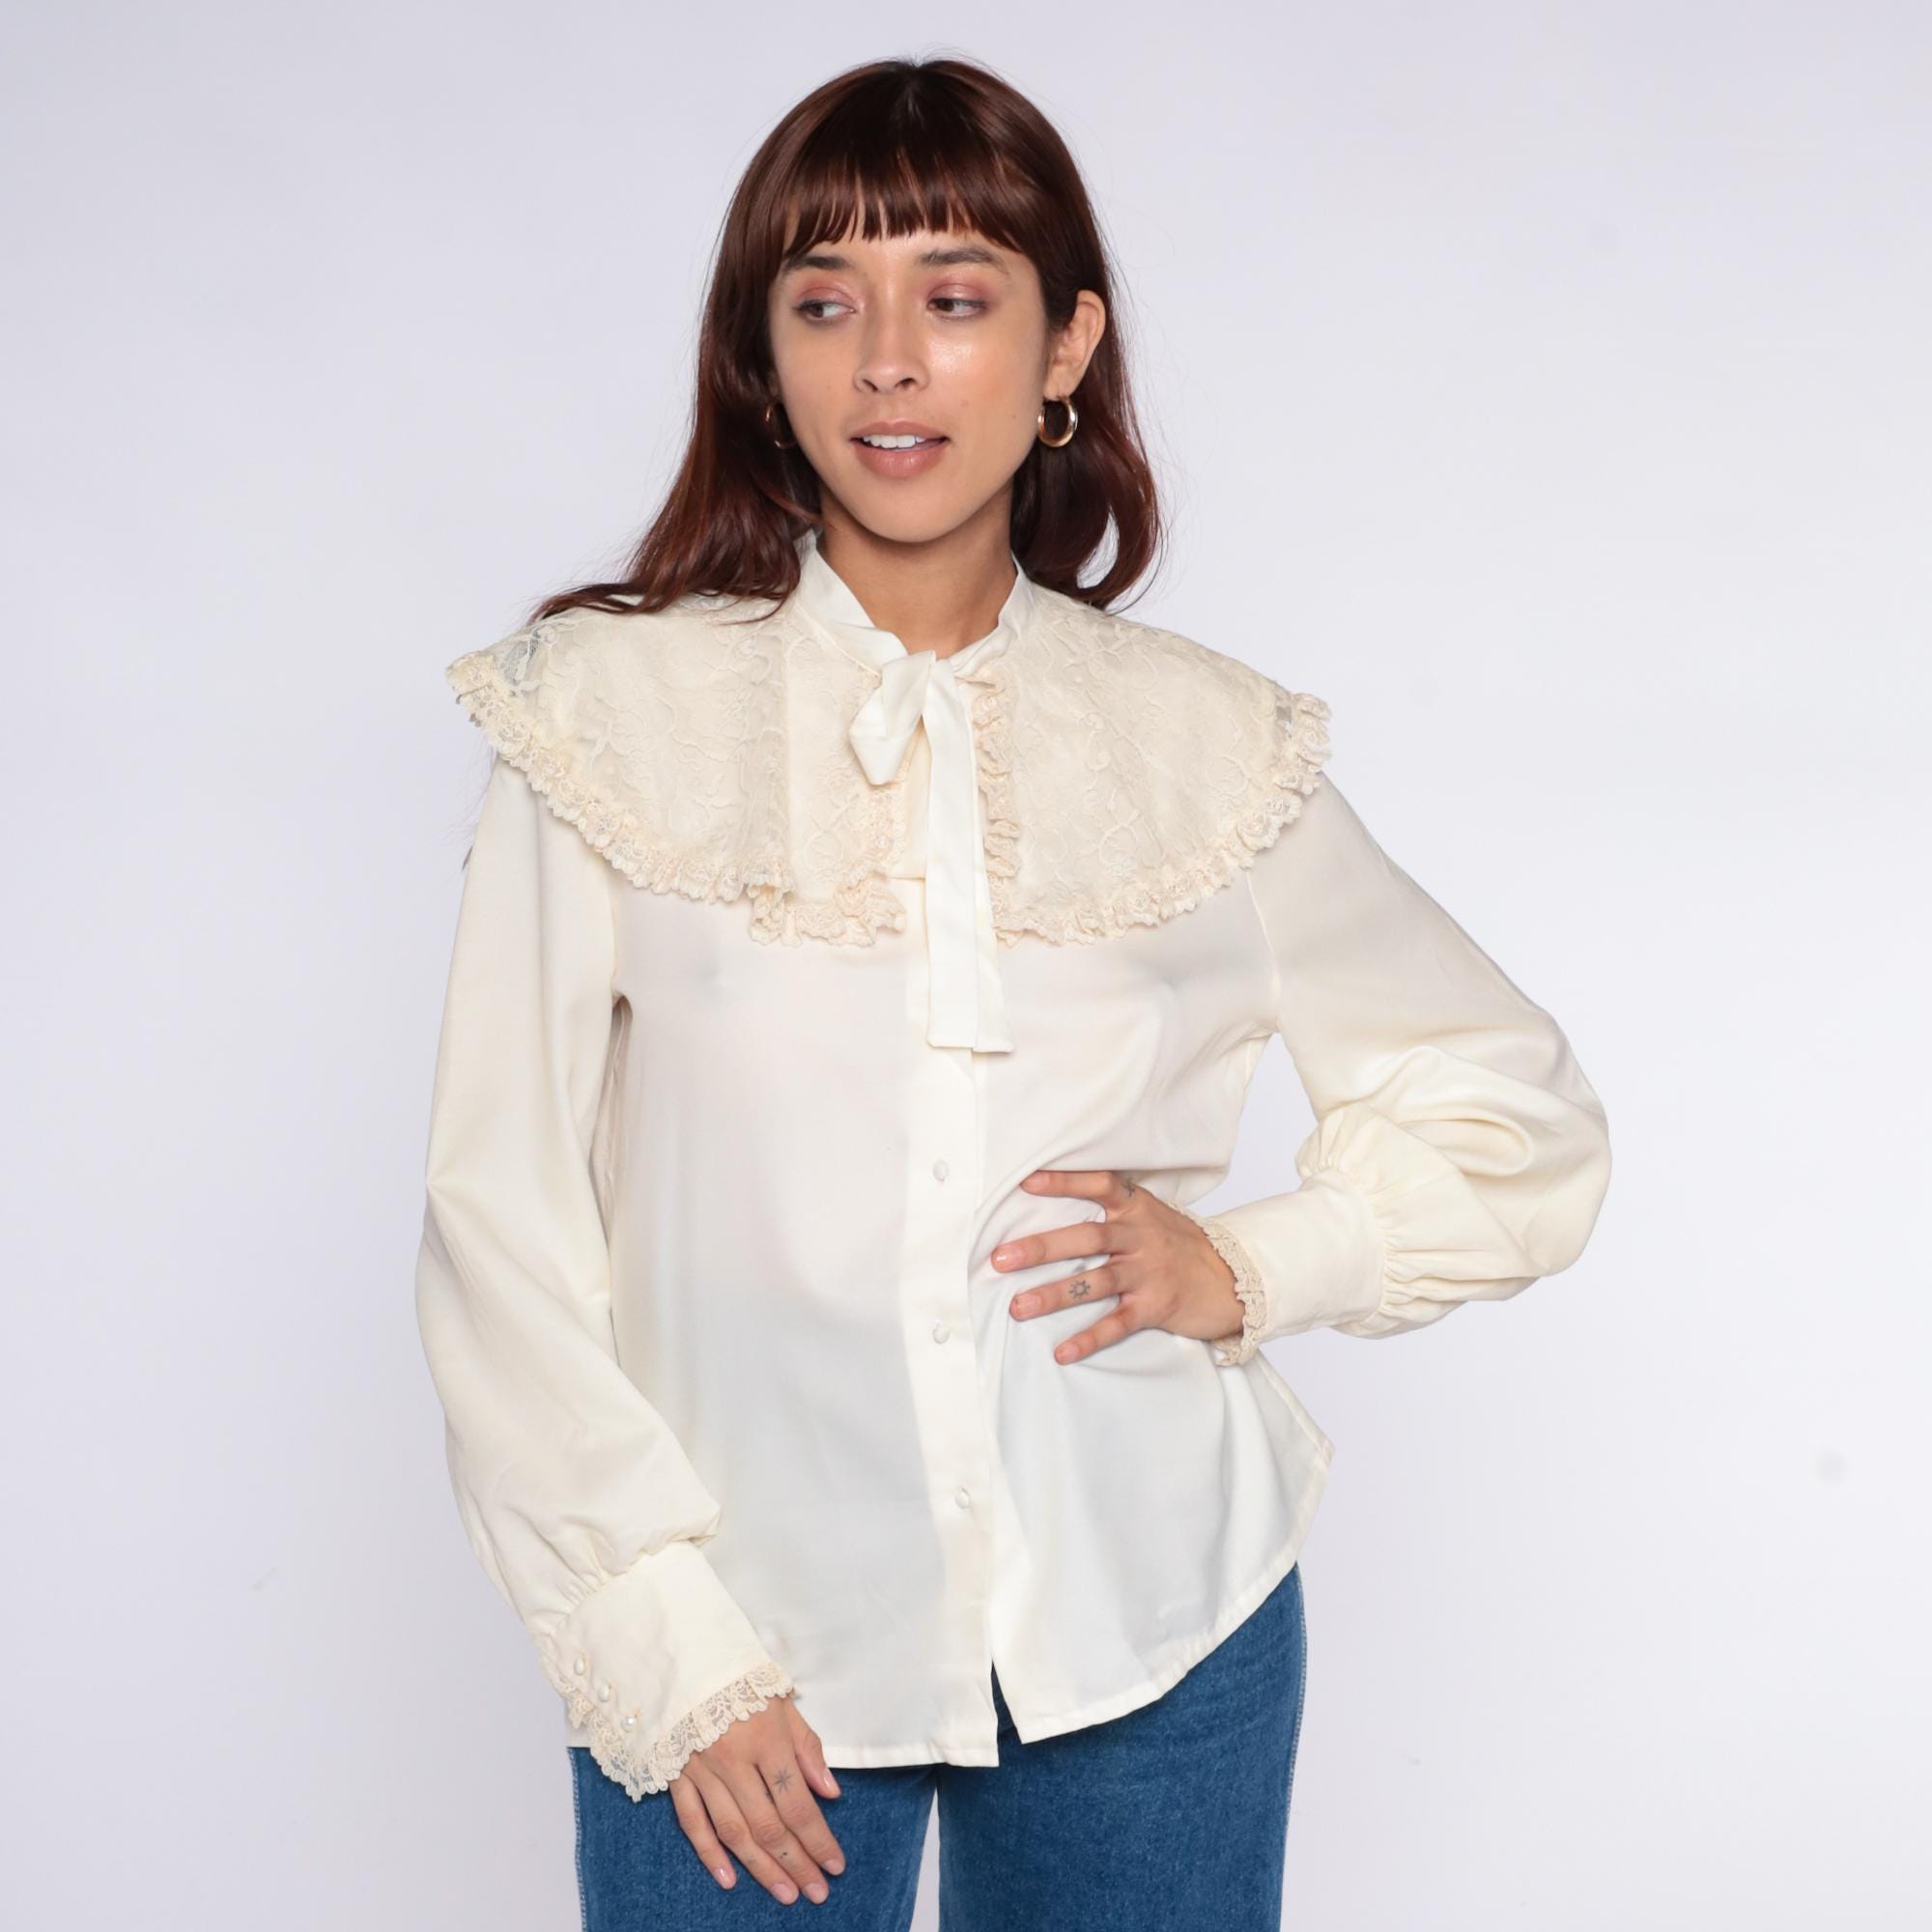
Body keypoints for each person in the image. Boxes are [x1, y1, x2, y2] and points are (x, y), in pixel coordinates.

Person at [412, 53, 1613, 1931]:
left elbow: (1511, 1107)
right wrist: (659, 1639)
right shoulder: (605, 721)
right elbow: (499, 1222)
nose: (890, 363)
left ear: (1065, 347)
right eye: (827, 305)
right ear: (765, 362)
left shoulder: (1203, 745)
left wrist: (1252, 1264)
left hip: (1155, 1626)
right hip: (741, 1659)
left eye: (955, 298)